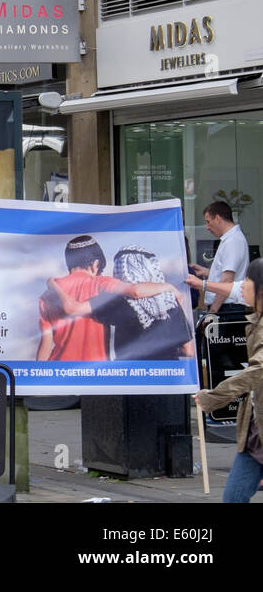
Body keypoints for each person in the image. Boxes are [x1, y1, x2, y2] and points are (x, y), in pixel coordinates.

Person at [36, 235, 178, 361]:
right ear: (96, 264)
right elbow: (135, 291)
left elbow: (45, 343)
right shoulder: (102, 283)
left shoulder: (47, 295)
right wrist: (167, 287)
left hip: (59, 372)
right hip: (97, 374)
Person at [194, 259, 263, 502]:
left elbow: (257, 371)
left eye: (248, 281)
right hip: (254, 434)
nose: (242, 286)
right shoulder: (255, 321)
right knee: (233, 498)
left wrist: (212, 397)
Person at [192, 201, 250, 314]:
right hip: (226, 305)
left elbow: (227, 280)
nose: (207, 227)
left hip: (227, 307)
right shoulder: (230, 239)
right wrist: (205, 271)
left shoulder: (232, 241)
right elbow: (226, 274)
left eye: (208, 222)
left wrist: (213, 311)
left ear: (218, 218)